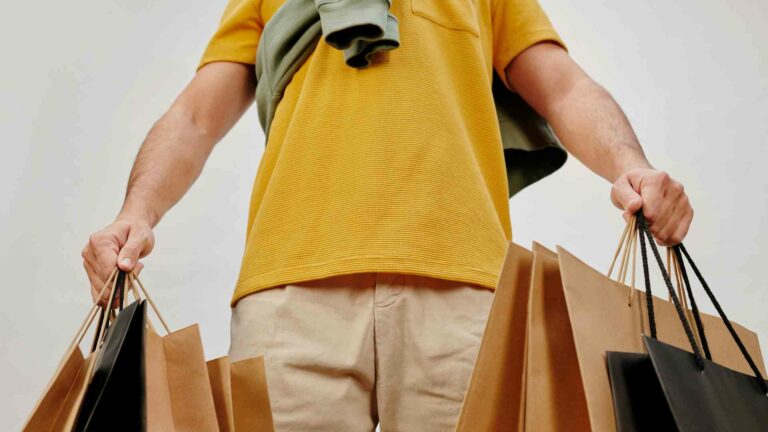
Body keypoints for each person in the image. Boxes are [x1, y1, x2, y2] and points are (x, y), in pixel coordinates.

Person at [80, 0, 694, 430]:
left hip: (464, 286)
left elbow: (562, 86)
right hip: (290, 290)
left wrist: (631, 166)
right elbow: (196, 115)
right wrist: (136, 212)